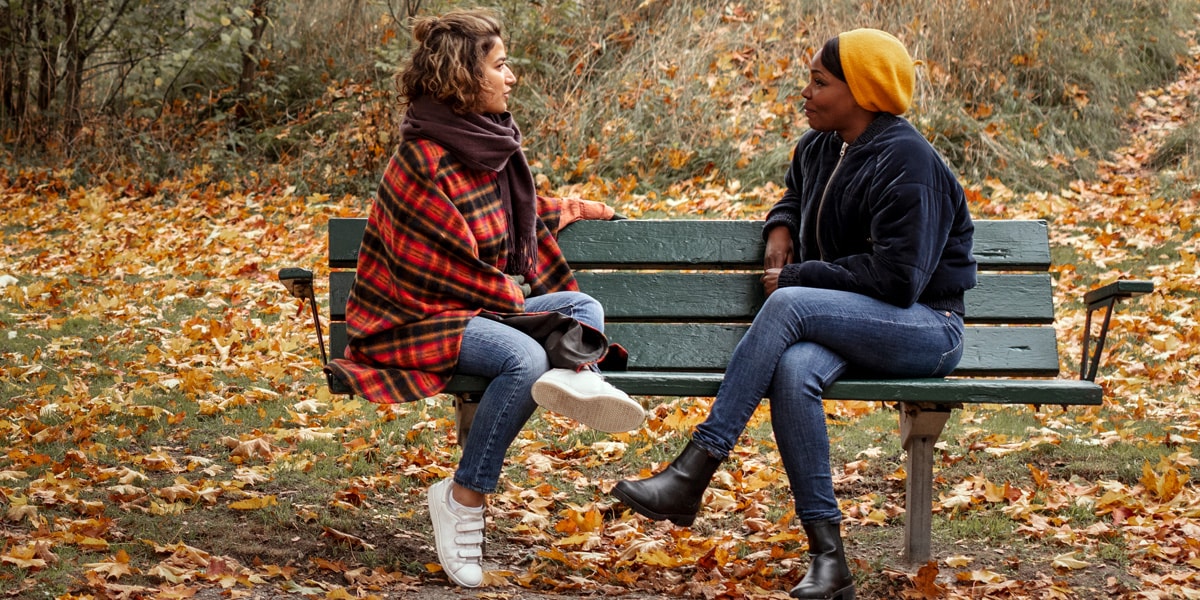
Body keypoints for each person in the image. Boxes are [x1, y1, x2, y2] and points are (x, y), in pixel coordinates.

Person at [611, 29, 977, 600]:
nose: (805, 92)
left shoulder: (910, 162)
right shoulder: (819, 146)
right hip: (850, 319)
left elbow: (900, 280)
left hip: (926, 327)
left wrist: (801, 276)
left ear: (862, 92)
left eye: (819, 82)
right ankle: (829, 559)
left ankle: (693, 470)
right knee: (793, 369)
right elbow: (799, 194)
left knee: (788, 300)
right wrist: (780, 226)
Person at [323, 8, 645, 588]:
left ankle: (578, 371)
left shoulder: (490, 146)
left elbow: (507, 217)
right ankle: (463, 497)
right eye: (500, 65)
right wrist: (512, 296)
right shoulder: (420, 159)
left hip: (475, 309)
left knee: (582, 309)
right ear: (463, 76)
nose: (511, 76)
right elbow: (435, 266)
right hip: (412, 316)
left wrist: (572, 208)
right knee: (524, 356)